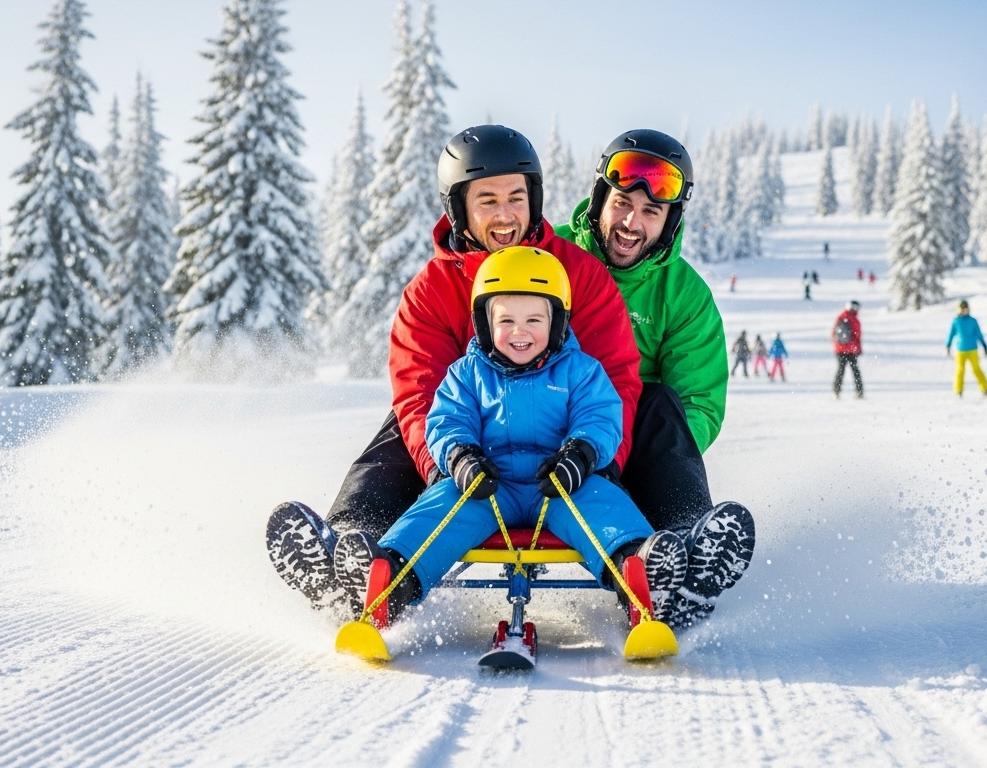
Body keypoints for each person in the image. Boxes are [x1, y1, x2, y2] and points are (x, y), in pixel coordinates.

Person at [264, 125, 642, 617]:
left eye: (515, 197)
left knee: (657, 412)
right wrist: (452, 465)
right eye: (487, 200)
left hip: (563, 460)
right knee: (395, 432)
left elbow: (612, 381)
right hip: (472, 460)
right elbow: (420, 396)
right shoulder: (431, 289)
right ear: (459, 208)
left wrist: (595, 460)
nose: (505, 214)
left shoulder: (576, 273)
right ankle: (353, 556)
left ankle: (669, 560)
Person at [334, 248, 688, 624]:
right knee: (439, 509)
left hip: (562, 483)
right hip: (488, 485)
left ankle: (642, 572)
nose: (520, 332)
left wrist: (580, 456)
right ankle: (388, 577)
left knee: (604, 506)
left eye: (534, 319)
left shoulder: (581, 371)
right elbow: (447, 420)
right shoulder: (466, 374)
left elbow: (601, 418)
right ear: (485, 323)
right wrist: (461, 459)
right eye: (506, 321)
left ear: (557, 322)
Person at [555, 129, 754, 625]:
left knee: (663, 401)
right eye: (622, 203)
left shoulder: (682, 295)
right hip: (537, 426)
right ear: (601, 199)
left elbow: (699, 407)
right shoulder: (552, 252)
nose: (631, 223)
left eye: (650, 212)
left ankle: (688, 558)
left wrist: (622, 451)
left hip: (624, 450)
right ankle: (368, 551)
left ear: (669, 222)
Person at [946, 299, 987, 398]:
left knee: (976, 369)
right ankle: (958, 391)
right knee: (960, 370)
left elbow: (979, 334)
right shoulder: (956, 321)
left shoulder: (973, 321)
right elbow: (951, 334)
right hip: (960, 350)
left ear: (968, 309)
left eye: (965, 309)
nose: (963, 311)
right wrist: (948, 345)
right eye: (961, 309)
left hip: (972, 349)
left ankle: (985, 389)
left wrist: (984, 345)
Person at [832, 301, 863, 399]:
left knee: (840, 371)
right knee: (855, 371)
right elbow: (857, 336)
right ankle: (859, 392)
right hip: (851, 350)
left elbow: (833, 333)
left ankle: (836, 392)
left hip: (840, 349)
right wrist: (857, 348)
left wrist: (838, 346)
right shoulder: (854, 319)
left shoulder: (841, 317)